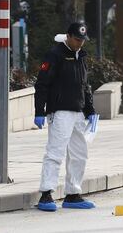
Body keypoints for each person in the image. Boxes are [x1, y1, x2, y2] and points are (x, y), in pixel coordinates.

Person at [34, 22, 97, 212]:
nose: (80, 44)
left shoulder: (81, 57)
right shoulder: (55, 55)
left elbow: (84, 86)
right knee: (55, 153)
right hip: (60, 111)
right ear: (68, 36)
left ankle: (73, 194)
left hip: (78, 112)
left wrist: (90, 110)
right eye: (77, 40)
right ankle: (46, 194)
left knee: (79, 154)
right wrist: (39, 111)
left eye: (82, 41)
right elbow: (42, 84)